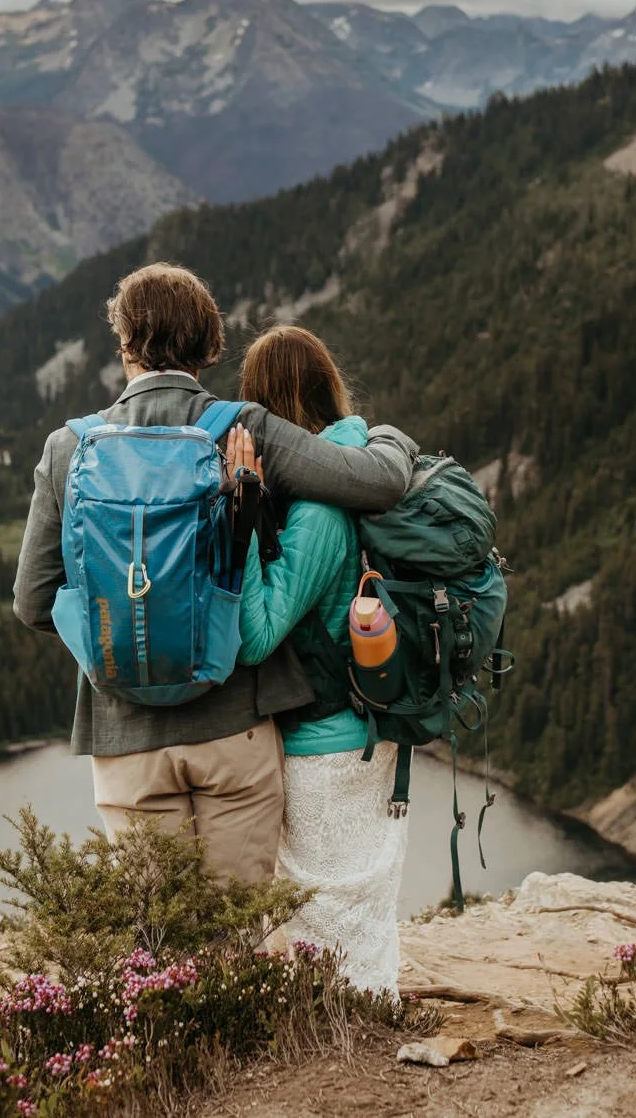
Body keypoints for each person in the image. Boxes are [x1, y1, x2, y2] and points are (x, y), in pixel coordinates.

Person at [13, 264, 418, 887]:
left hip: (123, 737)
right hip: (234, 728)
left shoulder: (69, 449)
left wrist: (117, 632)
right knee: (235, 928)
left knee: (157, 936)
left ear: (123, 344)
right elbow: (375, 482)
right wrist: (388, 437)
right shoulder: (240, 430)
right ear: (209, 346)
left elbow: (34, 602)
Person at [227, 325, 407, 994]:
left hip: (327, 747)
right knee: (357, 905)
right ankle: (368, 1017)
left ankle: (349, 1039)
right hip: (360, 732)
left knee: (327, 912)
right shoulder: (354, 470)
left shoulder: (319, 510)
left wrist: (242, 516)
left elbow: (258, 634)